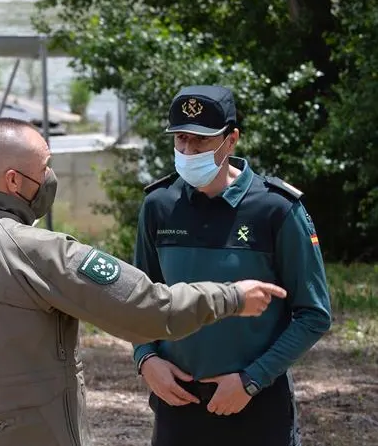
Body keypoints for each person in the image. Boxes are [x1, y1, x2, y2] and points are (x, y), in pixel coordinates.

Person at [0, 117, 288, 446]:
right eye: (44, 168)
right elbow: (148, 308)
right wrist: (231, 296)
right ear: (14, 182)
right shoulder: (42, 254)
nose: (50, 178)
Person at [132, 85, 332, 446]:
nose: (189, 151)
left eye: (201, 141)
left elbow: (313, 313)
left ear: (231, 139)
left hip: (256, 405)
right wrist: (146, 360)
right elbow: (138, 300)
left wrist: (252, 380)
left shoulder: (276, 209)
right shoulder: (159, 205)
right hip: (176, 403)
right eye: (181, 140)